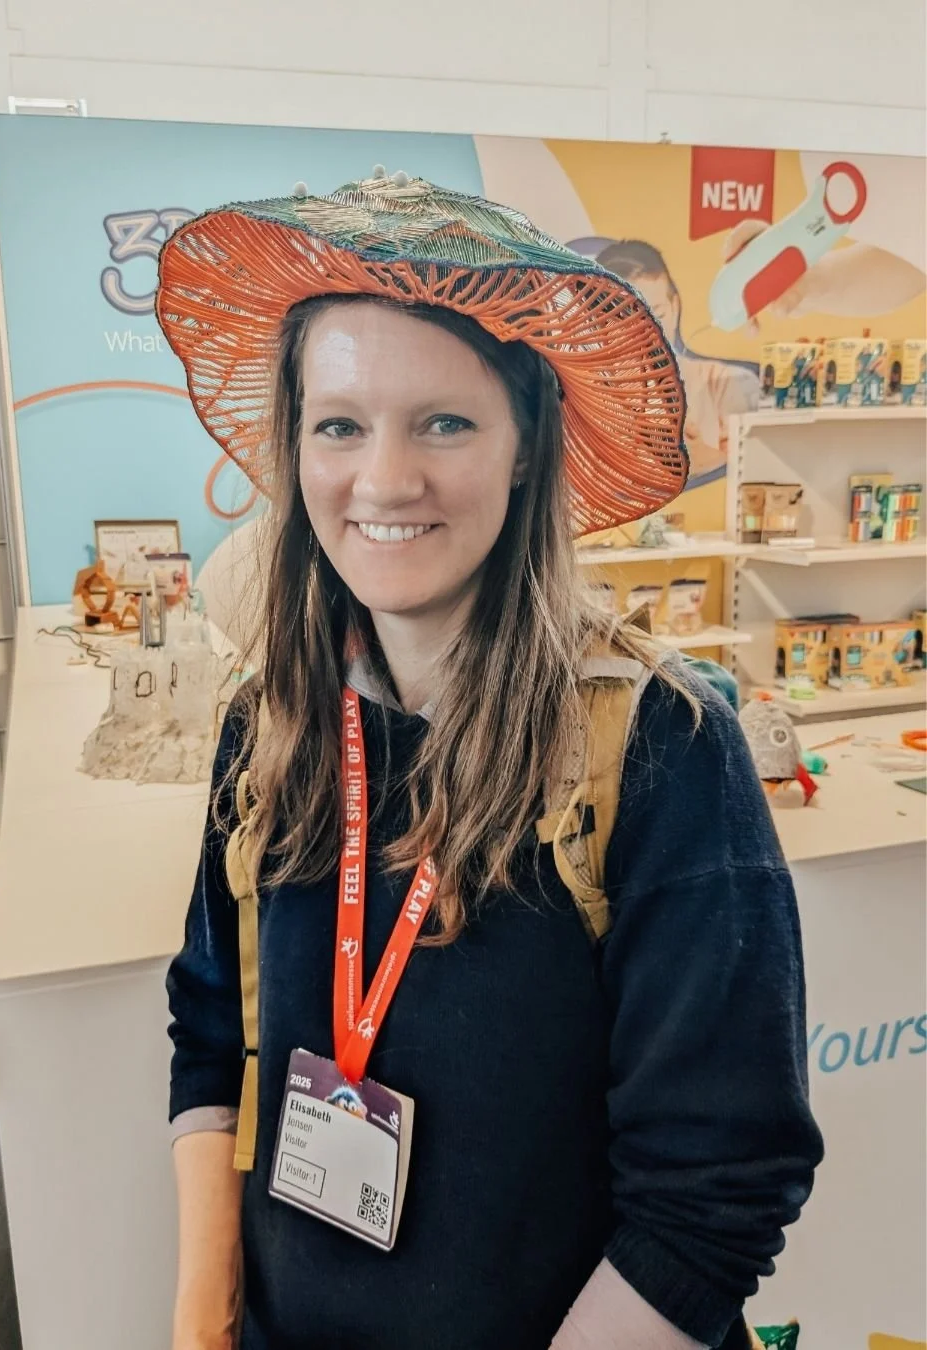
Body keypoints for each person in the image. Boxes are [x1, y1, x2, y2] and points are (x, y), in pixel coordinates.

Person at [160, 172, 822, 1350]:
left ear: (526, 450)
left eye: (446, 422)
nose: (385, 479)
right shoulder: (270, 726)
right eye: (341, 424)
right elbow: (211, 1027)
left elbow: (714, 1188)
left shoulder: (662, 749)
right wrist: (201, 1325)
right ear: (296, 445)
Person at [594, 239, 759, 483]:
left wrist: (699, 458)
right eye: (624, 320)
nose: (645, 334)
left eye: (657, 315)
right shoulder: (582, 399)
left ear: (675, 307)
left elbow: (755, 469)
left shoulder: (726, 383)